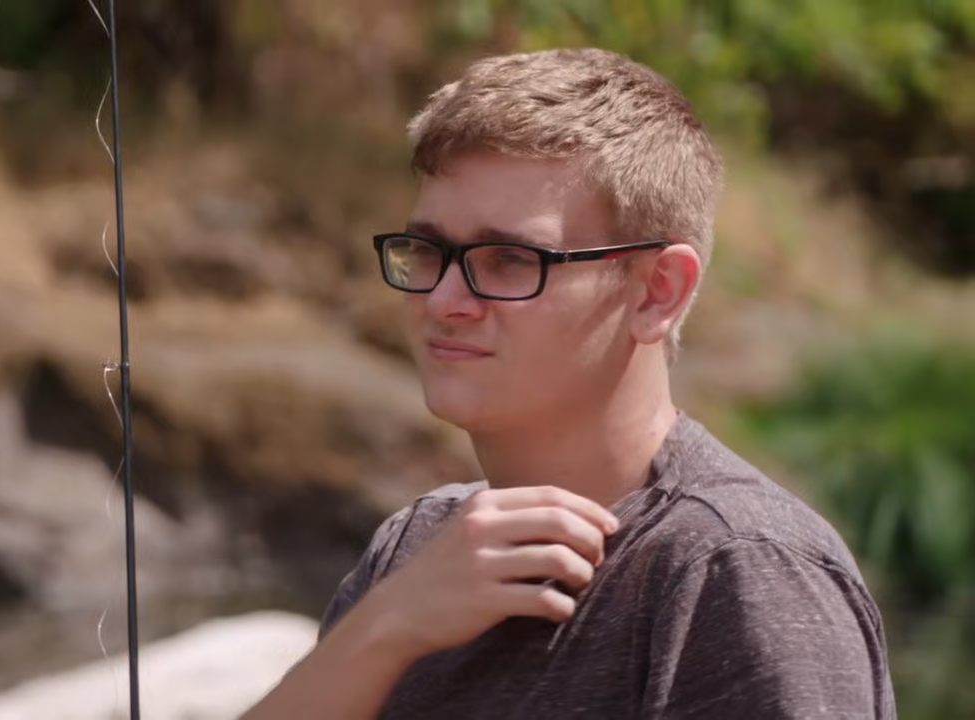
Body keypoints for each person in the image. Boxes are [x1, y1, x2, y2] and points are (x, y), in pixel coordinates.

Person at [240, 47, 896, 719]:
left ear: (658, 292)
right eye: (429, 251)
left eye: (508, 259)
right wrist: (385, 627)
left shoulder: (737, 567)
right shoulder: (417, 549)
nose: (443, 300)